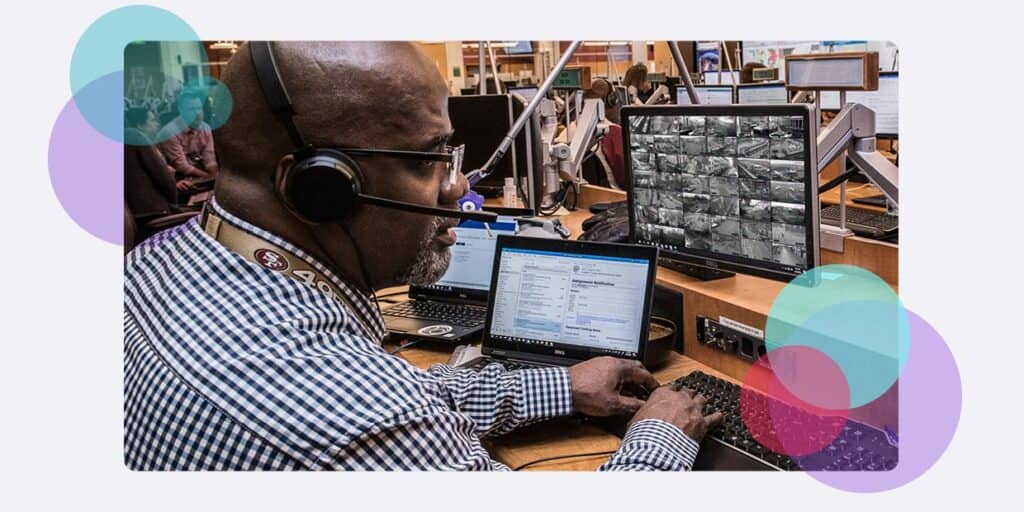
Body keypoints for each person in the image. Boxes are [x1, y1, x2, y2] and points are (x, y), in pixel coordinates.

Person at [124, 42, 721, 471]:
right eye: (426, 160)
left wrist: (560, 387)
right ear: (318, 187)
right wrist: (659, 440)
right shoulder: (359, 417)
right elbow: (370, 413)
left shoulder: (155, 265)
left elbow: (385, 398)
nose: (457, 188)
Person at [123, 108, 188, 222]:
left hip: (140, 214)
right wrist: (174, 200)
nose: (157, 124)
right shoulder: (136, 136)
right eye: (152, 120)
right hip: (155, 212)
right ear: (140, 125)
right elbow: (163, 177)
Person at [156, 87, 220, 182]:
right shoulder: (170, 132)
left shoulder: (205, 128)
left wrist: (216, 177)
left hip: (196, 173)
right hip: (173, 178)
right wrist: (209, 177)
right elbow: (182, 166)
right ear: (181, 111)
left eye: (199, 108)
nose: (197, 113)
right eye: (191, 109)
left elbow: (209, 158)